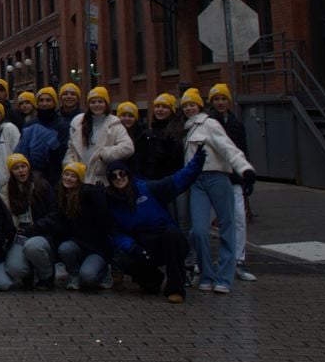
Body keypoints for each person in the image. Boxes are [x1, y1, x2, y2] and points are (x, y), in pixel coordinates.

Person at [105, 147, 206, 303]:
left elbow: (178, 180)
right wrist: (133, 247)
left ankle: (175, 288)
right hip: (143, 245)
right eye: (114, 176)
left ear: (128, 174)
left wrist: (197, 161)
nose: (119, 178)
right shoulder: (113, 202)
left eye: (122, 173)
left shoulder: (148, 188)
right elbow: (117, 233)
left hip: (167, 239)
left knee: (171, 236)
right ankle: (152, 280)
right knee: (123, 259)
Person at [180, 87, 256, 295]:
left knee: (227, 225)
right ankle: (206, 274)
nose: (188, 108)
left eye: (192, 104)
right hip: (197, 182)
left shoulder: (210, 124)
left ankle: (224, 277)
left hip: (217, 177)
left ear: (200, 106)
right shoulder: (187, 128)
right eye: (185, 105)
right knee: (199, 231)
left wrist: (244, 169)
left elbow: (228, 148)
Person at [208, 83, 256, 283]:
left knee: (238, 220)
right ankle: (204, 262)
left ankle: (238, 260)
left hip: (233, 179)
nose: (220, 103)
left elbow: (242, 150)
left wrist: (246, 175)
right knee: (204, 223)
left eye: (223, 99)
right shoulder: (207, 124)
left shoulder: (237, 124)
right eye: (216, 99)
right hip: (212, 178)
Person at [36, 162, 111, 290]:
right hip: (76, 245)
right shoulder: (59, 195)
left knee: (88, 279)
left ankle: (104, 272)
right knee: (64, 248)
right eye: (66, 174)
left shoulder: (90, 194)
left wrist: (101, 199)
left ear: (79, 180)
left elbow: (104, 222)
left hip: (95, 248)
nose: (68, 178)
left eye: (73, 176)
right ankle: (74, 274)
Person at [3, 153, 57, 290]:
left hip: (41, 233)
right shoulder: (6, 190)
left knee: (32, 247)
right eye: (16, 168)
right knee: (14, 269)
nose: (21, 170)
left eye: (23, 166)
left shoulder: (42, 185)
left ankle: (46, 276)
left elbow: (54, 213)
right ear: (11, 172)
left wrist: (36, 227)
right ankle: (29, 271)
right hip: (19, 235)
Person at [65, 87, 134, 185]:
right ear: (88, 104)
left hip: (101, 182)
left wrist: (104, 154)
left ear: (106, 104)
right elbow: (71, 149)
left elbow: (128, 147)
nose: (96, 105)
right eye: (93, 102)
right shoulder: (77, 123)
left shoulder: (114, 124)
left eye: (100, 101)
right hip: (78, 179)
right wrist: (70, 167)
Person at [13, 90, 63, 183]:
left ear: (54, 102)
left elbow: (62, 151)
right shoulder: (29, 125)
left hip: (56, 176)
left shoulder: (62, 125)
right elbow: (22, 150)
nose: (44, 103)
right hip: (32, 177)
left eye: (48, 100)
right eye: (41, 100)